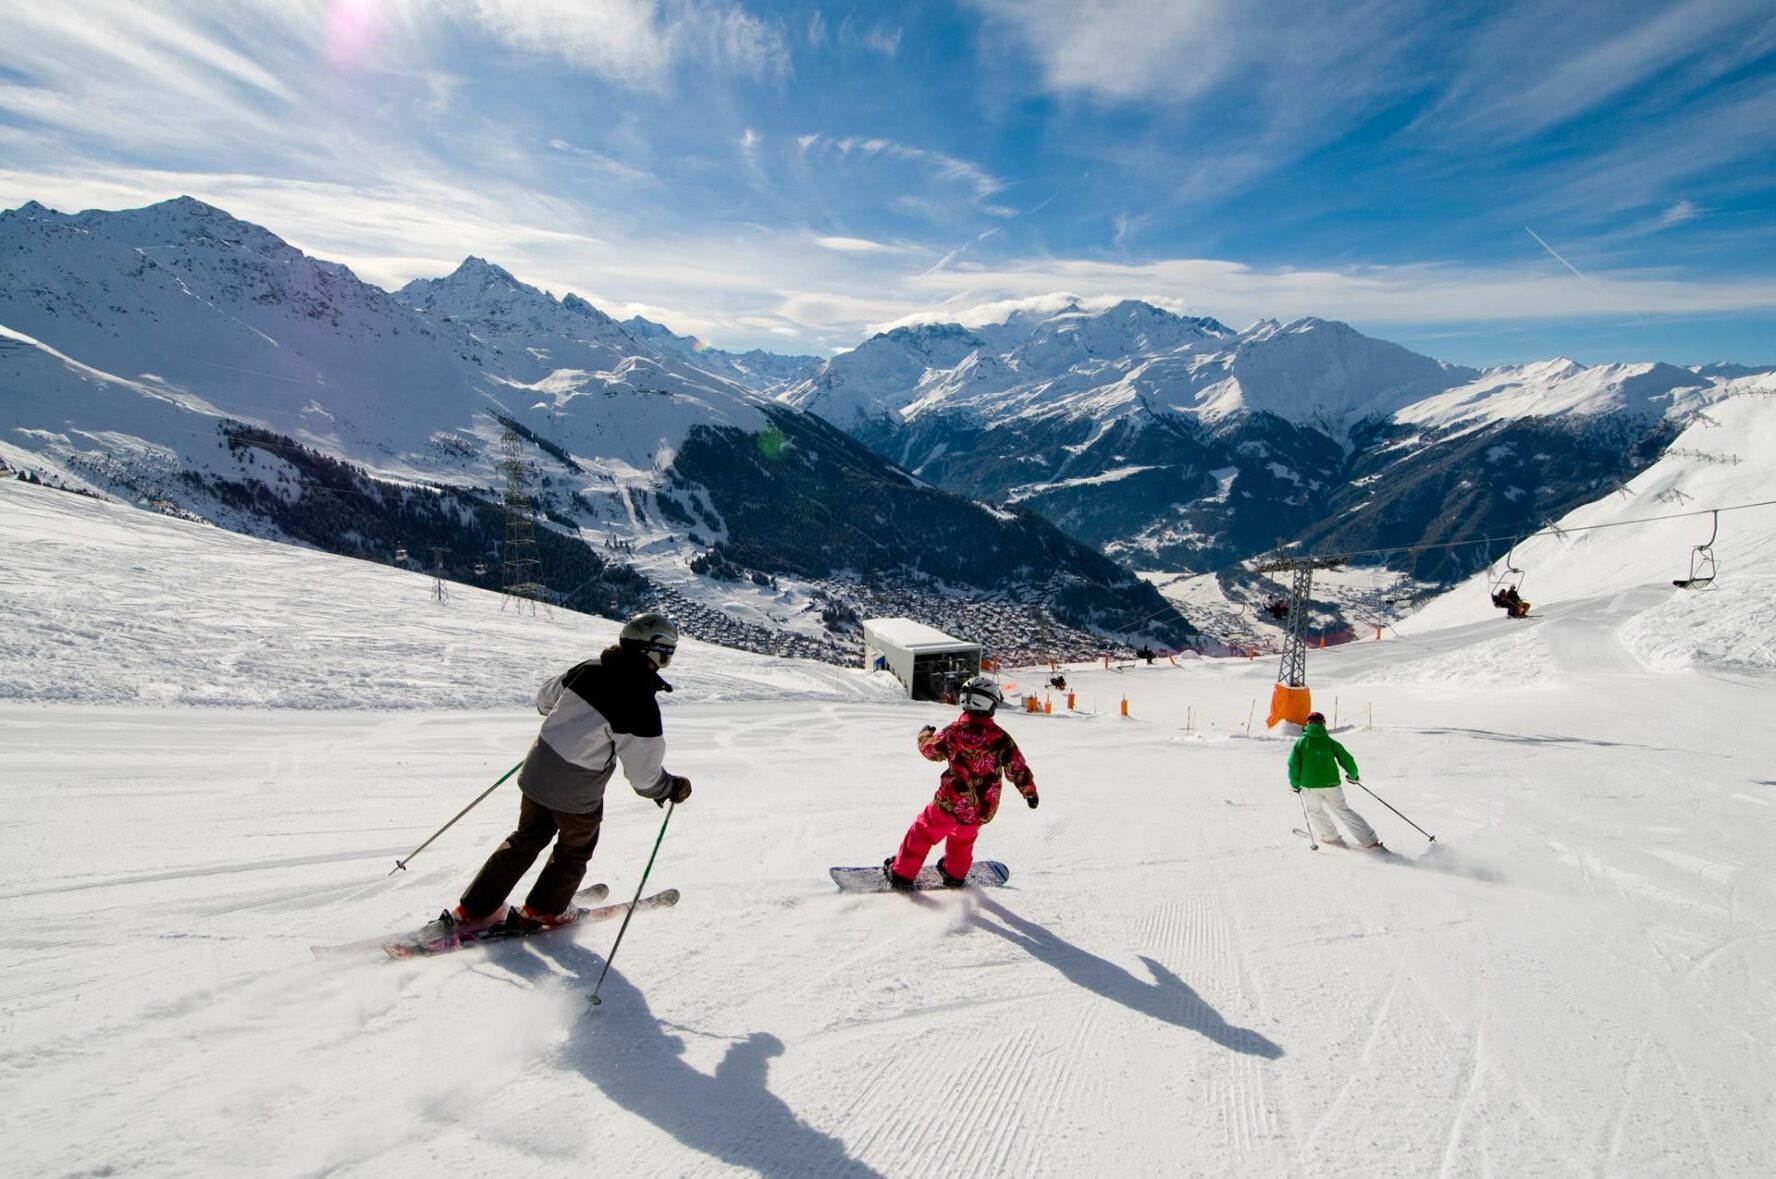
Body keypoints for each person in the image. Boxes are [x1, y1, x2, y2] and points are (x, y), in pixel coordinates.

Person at [444, 612, 693, 934]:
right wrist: (668, 788)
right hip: (577, 788)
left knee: (525, 839)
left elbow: (545, 701)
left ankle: (473, 908)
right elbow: (644, 775)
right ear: (657, 652)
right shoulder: (640, 704)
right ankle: (544, 910)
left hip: (538, 769)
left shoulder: (588, 668)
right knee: (575, 848)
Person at [885, 676, 1039, 889]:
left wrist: (924, 735)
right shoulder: (1001, 738)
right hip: (981, 807)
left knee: (922, 832)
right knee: (963, 841)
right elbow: (1017, 768)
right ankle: (954, 873)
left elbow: (930, 751)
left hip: (951, 802)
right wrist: (1029, 792)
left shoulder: (953, 732)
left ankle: (902, 872)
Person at [1288, 711, 1382, 850]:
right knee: (1344, 811)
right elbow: (1347, 759)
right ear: (1323, 724)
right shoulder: (1330, 742)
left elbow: (1293, 765)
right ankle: (1369, 841)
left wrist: (1295, 784)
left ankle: (1330, 837)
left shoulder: (1300, 743)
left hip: (1309, 786)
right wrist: (1353, 776)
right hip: (1331, 784)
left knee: (1315, 811)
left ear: (1307, 724)